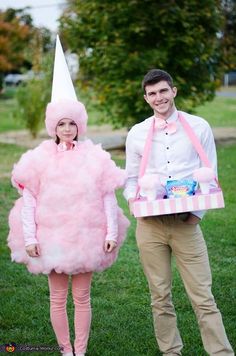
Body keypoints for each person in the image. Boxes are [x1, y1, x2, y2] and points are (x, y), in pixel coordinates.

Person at [7, 36, 129, 356]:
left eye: (71, 123)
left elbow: (107, 196)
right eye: (60, 123)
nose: (66, 128)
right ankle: (65, 349)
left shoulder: (94, 157)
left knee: (83, 297)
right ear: (53, 126)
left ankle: (81, 348)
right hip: (52, 237)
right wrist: (31, 238)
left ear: (79, 125)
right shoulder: (39, 159)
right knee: (57, 299)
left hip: (86, 236)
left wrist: (111, 232)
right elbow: (30, 201)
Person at [124, 69, 234, 355]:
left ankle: (221, 352)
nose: (158, 97)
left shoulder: (198, 127)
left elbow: (210, 171)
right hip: (150, 225)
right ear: (145, 98)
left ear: (173, 91)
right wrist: (134, 204)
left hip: (187, 224)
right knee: (159, 296)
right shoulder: (136, 133)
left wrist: (197, 214)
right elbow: (131, 179)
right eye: (152, 93)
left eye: (163, 91)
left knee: (203, 296)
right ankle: (170, 351)